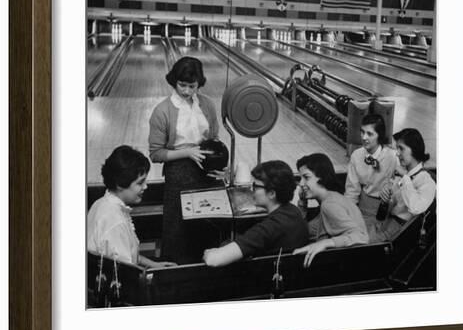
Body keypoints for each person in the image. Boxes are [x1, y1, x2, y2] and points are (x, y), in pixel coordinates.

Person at [149, 56, 223, 263]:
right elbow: (155, 154)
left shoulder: (206, 104)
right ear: (174, 81)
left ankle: (207, 268)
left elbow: (214, 138)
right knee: (178, 231)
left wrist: (219, 165)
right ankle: (176, 272)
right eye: (182, 85)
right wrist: (188, 152)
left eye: (192, 86)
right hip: (178, 173)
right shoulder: (162, 111)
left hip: (206, 171)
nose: (187, 91)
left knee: (208, 226)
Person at [203, 160, 309, 267]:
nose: (251, 190)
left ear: (272, 193)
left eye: (256, 186)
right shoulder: (293, 211)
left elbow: (213, 260)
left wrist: (208, 252)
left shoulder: (271, 227)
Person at [87, 145, 176, 268]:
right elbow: (126, 273)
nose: (145, 186)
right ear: (120, 184)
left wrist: (154, 265)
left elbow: (129, 255)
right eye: (140, 183)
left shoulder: (101, 203)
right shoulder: (115, 221)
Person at [293, 153, 369, 268]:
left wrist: (326, 243)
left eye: (306, 177)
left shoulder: (329, 205)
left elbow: (361, 237)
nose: (301, 184)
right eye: (300, 178)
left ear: (321, 176)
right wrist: (302, 203)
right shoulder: (330, 198)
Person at [367, 128, 436, 243]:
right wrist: (386, 199)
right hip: (385, 225)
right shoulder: (402, 174)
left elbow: (415, 208)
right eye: (396, 148)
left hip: (399, 234)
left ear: (414, 150)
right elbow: (394, 206)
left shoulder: (427, 182)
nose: (397, 153)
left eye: (401, 148)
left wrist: (405, 178)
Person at [344, 113, 398, 220]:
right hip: (361, 207)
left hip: (385, 211)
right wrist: (349, 214)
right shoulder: (356, 155)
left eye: (370, 134)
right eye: (362, 132)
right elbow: (351, 191)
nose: (364, 137)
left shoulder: (393, 157)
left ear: (380, 135)